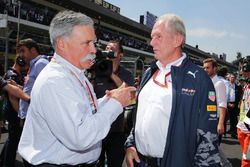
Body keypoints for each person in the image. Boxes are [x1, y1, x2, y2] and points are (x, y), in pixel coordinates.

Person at [18, 10, 135, 167]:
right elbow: (81, 137)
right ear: (62, 44)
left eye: (93, 43)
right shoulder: (55, 80)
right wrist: (116, 103)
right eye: (87, 43)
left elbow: (83, 113)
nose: (94, 50)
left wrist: (107, 100)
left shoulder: (73, 74)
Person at [125, 14, 220, 167]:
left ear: (177, 40)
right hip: (140, 161)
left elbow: (207, 135)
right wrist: (131, 144)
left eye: (158, 37)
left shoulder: (199, 79)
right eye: (152, 37)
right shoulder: (149, 73)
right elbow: (140, 116)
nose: (152, 42)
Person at [94, 40, 134, 167]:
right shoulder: (96, 70)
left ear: (120, 55)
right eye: (106, 48)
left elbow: (129, 94)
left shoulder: (126, 74)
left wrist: (110, 73)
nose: (108, 51)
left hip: (117, 129)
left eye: (112, 49)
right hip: (96, 127)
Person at [0, 56, 30, 167]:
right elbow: (13, 98)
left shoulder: (11, 73)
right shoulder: (13, 75)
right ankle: (7, 163)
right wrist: (20, 115)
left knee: (12, 138)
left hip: (10, 109)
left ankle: (3, 160)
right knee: (14, 140)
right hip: (13, 110)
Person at [18, 38, 49, 120]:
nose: (20, 55)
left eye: (23, 51)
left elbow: (47, 91)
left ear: (33, 50)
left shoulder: (40, 64)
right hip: (29, 116)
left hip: (35, 117)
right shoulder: (34, 65)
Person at [203, 58, 227, 145]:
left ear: (214, 68)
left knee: (214, 148)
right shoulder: (205, 82)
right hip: (205, 120)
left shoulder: (219, 84)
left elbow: (223, 104)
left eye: (208, 68)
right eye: (204, 68)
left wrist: (220, 123)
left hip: (214, 120)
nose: (205, 70)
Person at [237, 58, 250, 167]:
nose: (242, 73)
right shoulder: (246, 85)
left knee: (246, 159)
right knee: (245, 153)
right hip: (242, 125)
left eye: (245, 71)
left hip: (248, 127)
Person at [227, 73, 242, 139]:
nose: (232, 78)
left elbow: (239, 96)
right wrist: (228, 103)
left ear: (235, 79)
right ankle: (227, 131)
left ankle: (234, 132)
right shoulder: (226, 86)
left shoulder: (238, 87)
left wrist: (238, 103)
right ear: (229, 78)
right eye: (231, 77)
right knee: (228, 119)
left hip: (235, 104)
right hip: (227, 104)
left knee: (234, 119)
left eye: (234, 77)